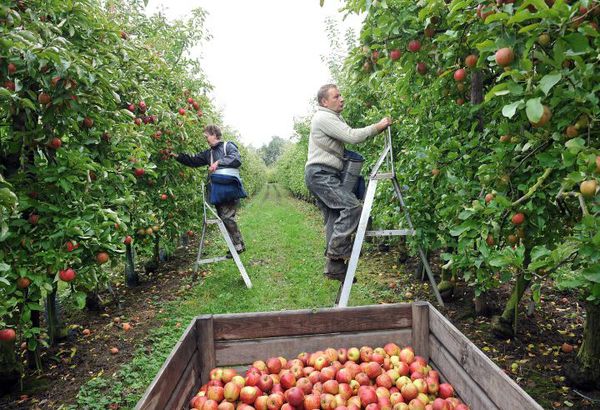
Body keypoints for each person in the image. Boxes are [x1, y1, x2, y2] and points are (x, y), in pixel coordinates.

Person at [305, 84, 391, 281]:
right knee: (352, 207)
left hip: (325, 174)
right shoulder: (324, 117)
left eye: (341, 95)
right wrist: (378, 127)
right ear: (324, 102)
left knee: (334, 219)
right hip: (320, 174)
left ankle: (334, 267)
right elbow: (352, 137)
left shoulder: (333, 117)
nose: (341, 98)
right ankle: (337, 252)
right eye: (336, 96)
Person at [173, 124, 246, 254]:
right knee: (224, 217)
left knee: (227, 216)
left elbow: (236, 158)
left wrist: (218, 163)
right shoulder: (208, 153)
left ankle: (238, 246)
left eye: (206, 136)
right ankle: (237, 245)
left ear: (214, 134)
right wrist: (176, 155)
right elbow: (193, 160)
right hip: (218, 191)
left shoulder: (228, 146)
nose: (205, 138)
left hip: (229, 188)